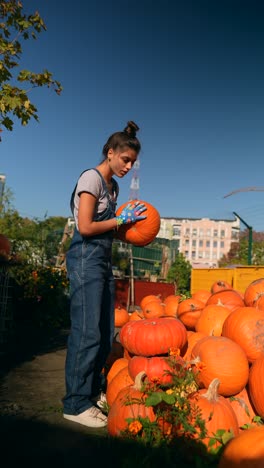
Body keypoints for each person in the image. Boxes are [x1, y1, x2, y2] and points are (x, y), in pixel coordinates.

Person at [62, 121, 147, 428]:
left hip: (102, 259)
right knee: (86, 333)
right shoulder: (92, 179)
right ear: (110, 153)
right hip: (84, 258)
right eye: (124, 159)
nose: (128, 165)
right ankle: (74, 403)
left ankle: (91, 392)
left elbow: (110, 230)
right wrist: (117, 221)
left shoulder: (113, 188)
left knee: (103, 331)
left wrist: (134, 230)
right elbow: (85, 227)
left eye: (132, 162)